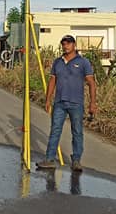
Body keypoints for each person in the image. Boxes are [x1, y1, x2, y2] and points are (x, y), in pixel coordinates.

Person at [37, 35, 97, 173]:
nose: (66, 46)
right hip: (59, 102)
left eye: (68, 43)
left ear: (74, 45)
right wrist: (48, 100)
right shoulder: (57, 62)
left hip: (76, 103)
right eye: (64, 44)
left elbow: (91, 83)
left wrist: (93, 103)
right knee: (55, 130)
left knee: (77, 131)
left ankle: (76, 160)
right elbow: (52, 81)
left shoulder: (83, 62)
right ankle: (49, 159)